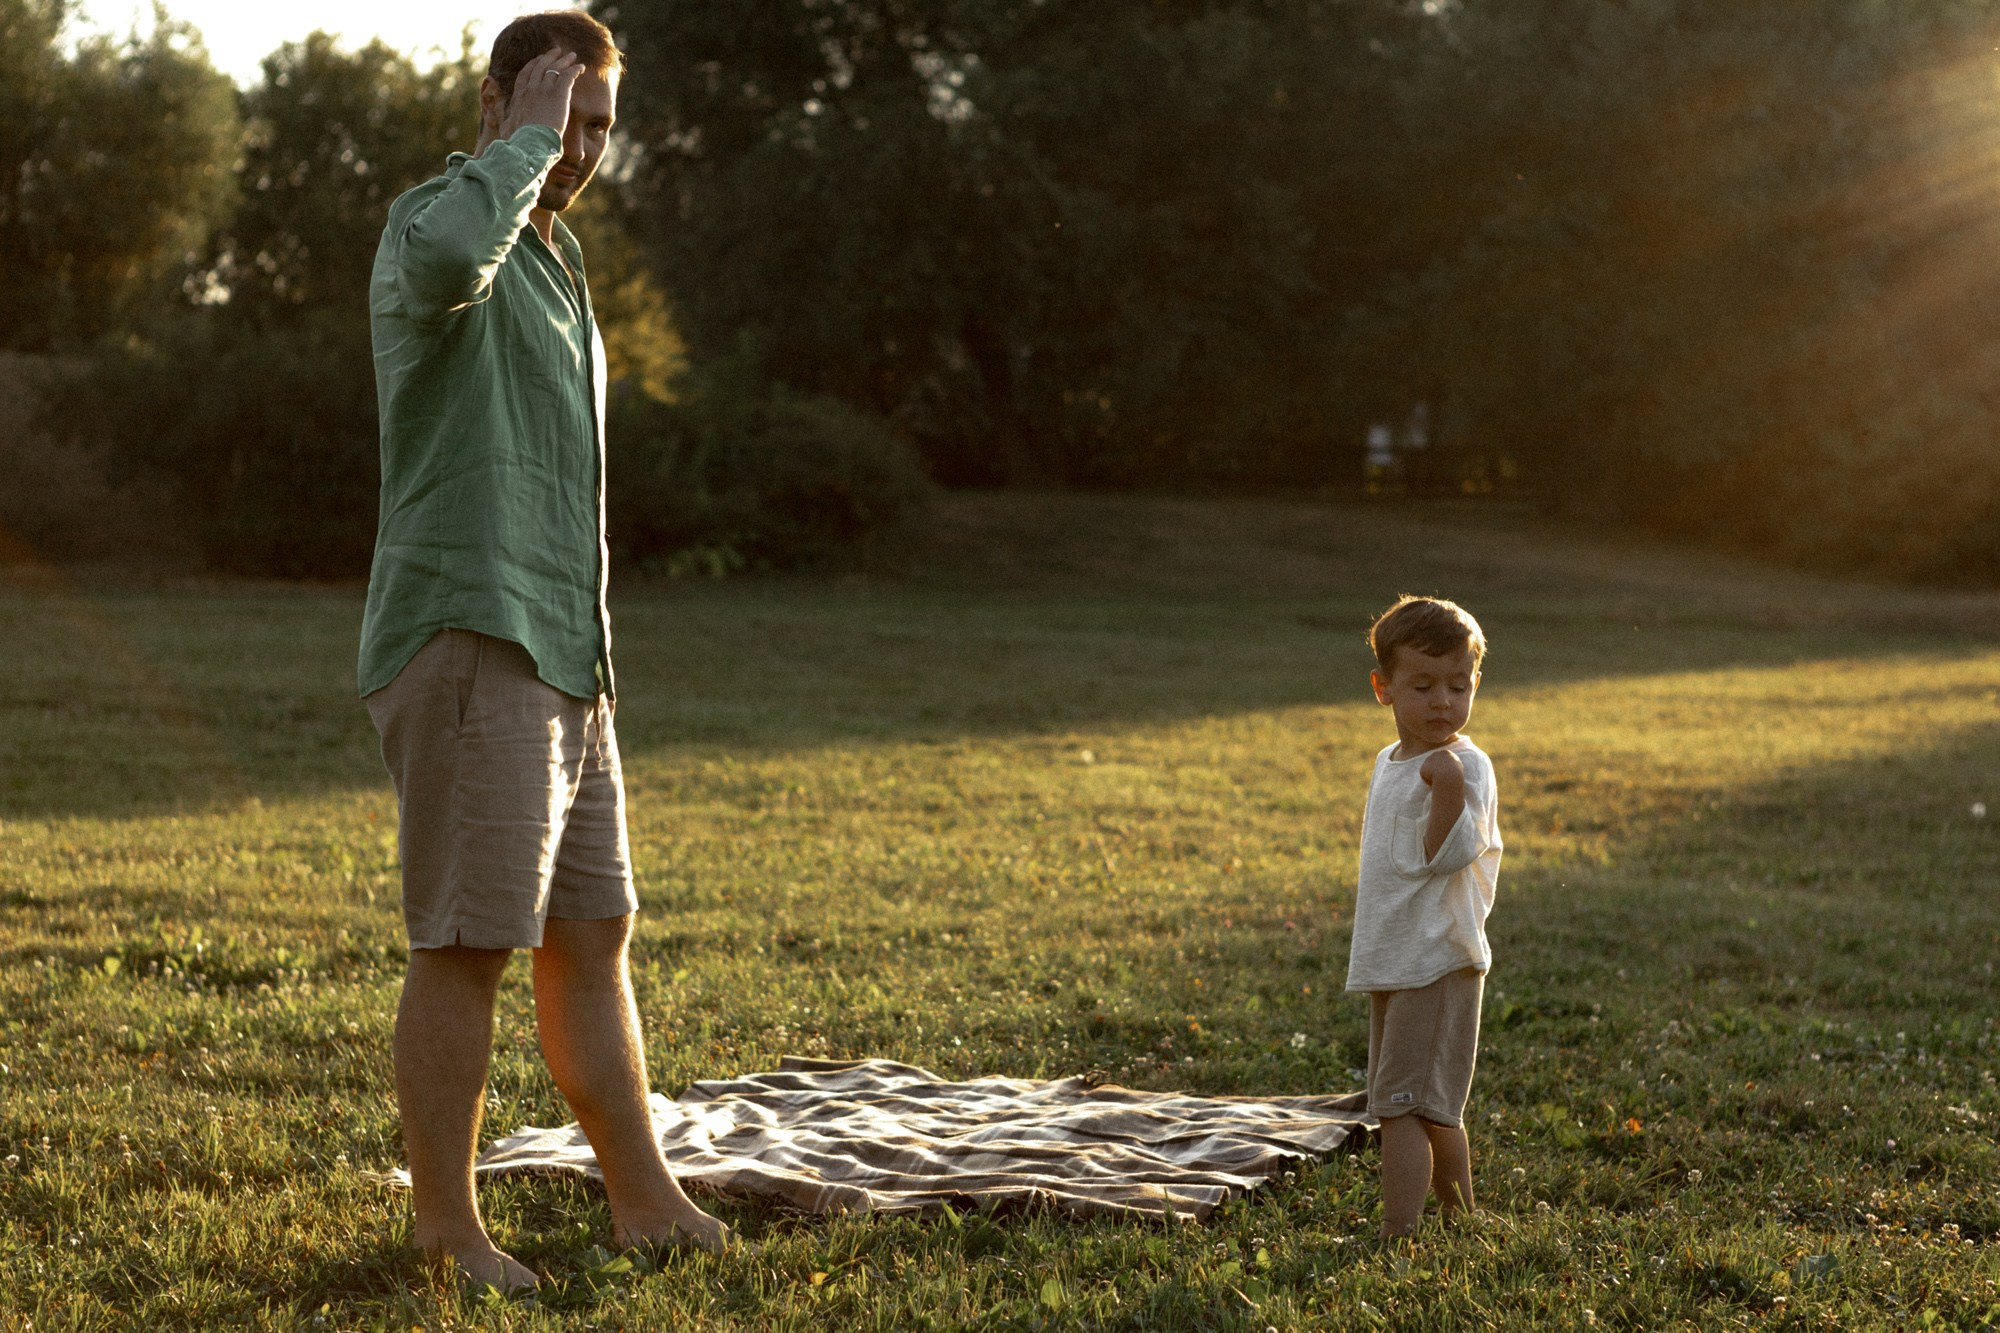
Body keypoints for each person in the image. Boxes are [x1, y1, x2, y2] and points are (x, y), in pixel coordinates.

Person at [358, 10, 728, 1291]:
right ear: (496, 104)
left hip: (566, 653)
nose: (579, 149)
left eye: (598, 130)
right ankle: (446, 1232)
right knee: (466, 943)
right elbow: (460, 249)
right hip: (468, 633)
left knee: (593, 931)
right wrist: (521, 144)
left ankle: (645, 1198)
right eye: (562, 118)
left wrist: (596, 665)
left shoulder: (559, 266)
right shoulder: (437, 219)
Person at [1345, 595, 1502, 1238]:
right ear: (1383, 689)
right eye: (1423, 685)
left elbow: (1447, 856)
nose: (1443, 701)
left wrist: (1452, 788)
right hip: (1395, 956)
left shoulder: (1465, 766)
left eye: (1458, 685)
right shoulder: (1391, 761)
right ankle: (1463, 1219)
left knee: (1400, 1109)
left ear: (1475, 686)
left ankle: (1396, 1234)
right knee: (1429, 1107)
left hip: (1438, 958)